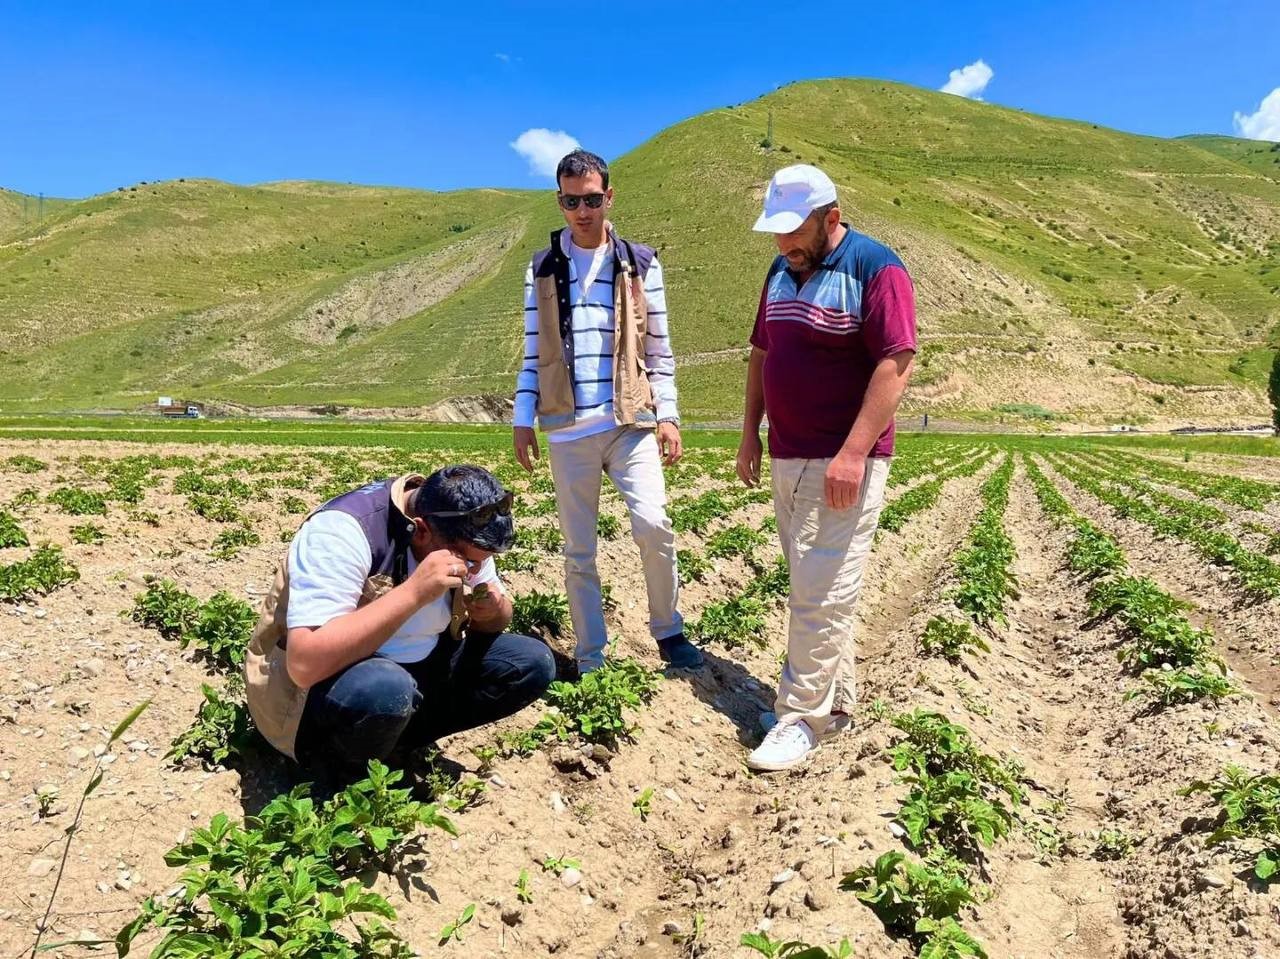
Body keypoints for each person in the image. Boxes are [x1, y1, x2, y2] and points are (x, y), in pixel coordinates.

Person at [737, 164, 917, 771]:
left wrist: (853, 453)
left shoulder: (877, 269)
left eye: (794, 231)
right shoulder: (780, 269)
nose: (783, 245)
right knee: (813, 585)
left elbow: (897, 364)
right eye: (776, 233)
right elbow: (762, 353)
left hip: (844, 461)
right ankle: (833, 705)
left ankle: (801, 717)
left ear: (831, 218)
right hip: (788, 451)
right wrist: (750, 435)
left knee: (822, 590)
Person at [512, 148, 702, 674]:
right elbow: (534, 351)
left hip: (629, 423)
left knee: (654, 523)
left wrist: (669, 416)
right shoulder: (542, 268)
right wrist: (521, 417)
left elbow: (659, 351)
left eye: (592, 199)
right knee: (579, 551)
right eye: (572, 201)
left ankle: (669, 630)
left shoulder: (640, 263)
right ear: (559, 202)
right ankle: (591, 655)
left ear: (608, 197)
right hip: (566, 430)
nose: (582, 210)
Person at [244, 466, 556, 781]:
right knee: (385, 689)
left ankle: (395, 746)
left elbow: (498, 619)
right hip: (319, 696)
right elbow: (305, 663)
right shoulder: (342, 531)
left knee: (530, 663)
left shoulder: (463, 530)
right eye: (469, 560)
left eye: (482, 560)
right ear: (421, 530)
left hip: (416, 673)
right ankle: (341, 777)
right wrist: (414, 593)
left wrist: (494, 611)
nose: (474, 567)